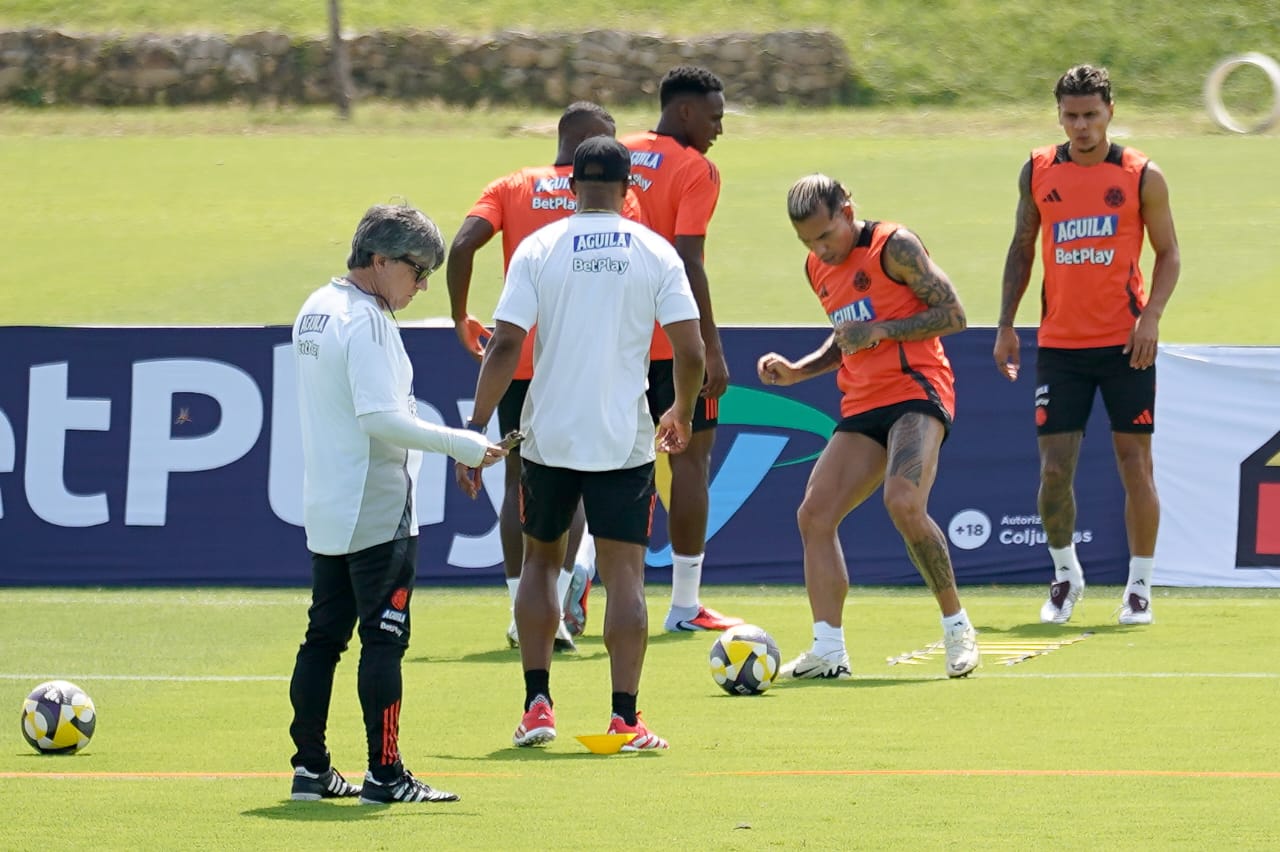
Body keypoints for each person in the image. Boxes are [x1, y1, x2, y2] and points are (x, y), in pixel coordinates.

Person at [456, 136, 705, 750]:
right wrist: (681, 408)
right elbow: (691, 351)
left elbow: (506, 345)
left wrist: (477, 425)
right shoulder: (656, 251)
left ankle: (537, 706)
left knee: (542, 562)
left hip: (548, 434)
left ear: (571, 187)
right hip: (622, 436)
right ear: (630, 189)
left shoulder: (538, 248)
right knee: (625, 576)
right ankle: (625, 717)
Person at [288, 204, 506, 805]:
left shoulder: (315, 307)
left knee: (323, 636)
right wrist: (459, 441)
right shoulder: (367, 319)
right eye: (416, 269)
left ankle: (309, 767)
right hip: (377, 503)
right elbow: (379, 418)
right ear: (379, 261)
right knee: (384, 640)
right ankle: (386, 775)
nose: (423, 283)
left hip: (328, 499)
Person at [757, 174, 980, 680]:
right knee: (814, 514)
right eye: (807, 241)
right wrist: (798, 370)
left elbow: (954, 315)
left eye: (825, 235)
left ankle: (957, 628)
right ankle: (828, 651)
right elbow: (846, 340)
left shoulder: (893, 247)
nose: (819, 249)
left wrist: (881, 329)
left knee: (903, 502)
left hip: (917, 391)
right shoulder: (817, 268)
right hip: (862, 403)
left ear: (847, 210)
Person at [993, 65, 1181, 626]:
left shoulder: (1141, 174)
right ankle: (1064, 575)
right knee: (1054, 473)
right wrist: (1006, 323)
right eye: (1071, 116)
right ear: (1059, 115)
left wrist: (1150, 317)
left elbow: (1169, 253)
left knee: (1135, 467)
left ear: (1110, 112)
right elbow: (1022, 248)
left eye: (1091, 115)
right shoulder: (1038, 170)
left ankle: (1140, 587)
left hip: (1127, 346)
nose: (1081, 127)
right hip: (1061, 347)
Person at [447, 101, 638, 651]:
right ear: (591, 143)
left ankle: (522, 610)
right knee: (584, 481)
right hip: (589, 361)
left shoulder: (512, 186)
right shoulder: (619, 196)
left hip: (521, 362)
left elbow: (462, 244)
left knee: (520, 486)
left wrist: (461, 315)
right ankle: (564, 587)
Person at [615, 64, 742, 633]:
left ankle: (577, 583)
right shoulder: (696, 169)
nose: (719, 128)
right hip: (670, 344)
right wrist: (711, 348)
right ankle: (685, 606)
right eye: (714, 116)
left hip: (614, 341)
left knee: (602, 463)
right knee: (689, 461)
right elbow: (689, 259)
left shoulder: (614, 153)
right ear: (685, 111)